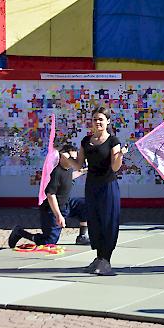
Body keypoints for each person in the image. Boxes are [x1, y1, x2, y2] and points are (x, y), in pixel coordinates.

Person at [63, 106, 126, 276]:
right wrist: (68, 160)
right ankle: (99, 258)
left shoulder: (113, 141)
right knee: (94, 222)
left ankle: (106, 260)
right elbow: (79, 165)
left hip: (108, 187)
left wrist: (120, 155)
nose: (97, 122)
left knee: (108, 222)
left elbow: (114, 167)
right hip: (91, 186)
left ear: (108, 122)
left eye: (101, 119)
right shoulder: (85, 141)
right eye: (95, 119)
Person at [8, 144, 90, 248]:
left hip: (66, 204)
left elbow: (69, 178)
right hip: (51, 210)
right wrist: (58, 215)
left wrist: (83, 171)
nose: (74, 161)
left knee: (87, 204)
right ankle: (19, 232)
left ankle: (82, 236)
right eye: (71, 158)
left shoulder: (68, 168)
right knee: (49, 242)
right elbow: (51, 195)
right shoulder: (56, 173)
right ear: (63, 157)